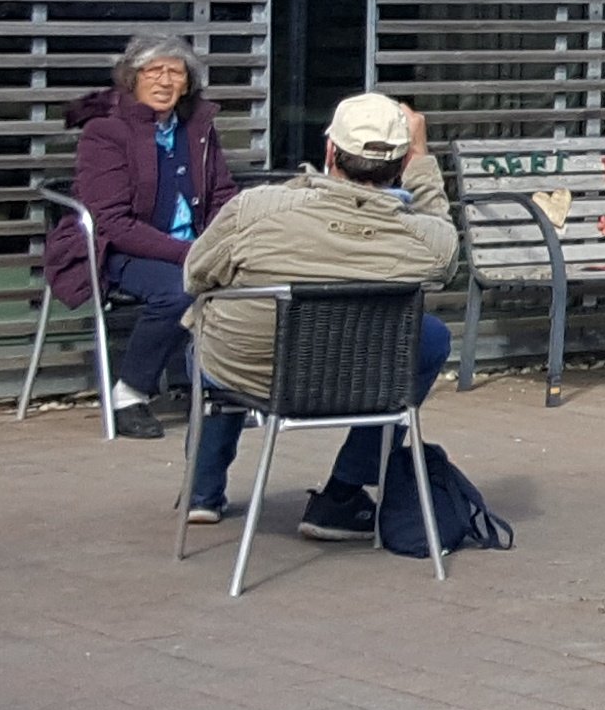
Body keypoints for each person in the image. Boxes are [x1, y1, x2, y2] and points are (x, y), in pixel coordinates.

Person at [174, 91, 461, 537]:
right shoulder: (424, 239)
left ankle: (200, 492)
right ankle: (343, 495)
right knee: (432, 339)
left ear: (330, 150)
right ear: (403, 163)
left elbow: (195, 275)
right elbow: (446, 244)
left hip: (246, 374)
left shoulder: (257, 209)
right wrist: (423, 158)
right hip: (354, 381)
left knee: (211, 330)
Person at [43, 33, 239, 439]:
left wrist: (225, 238)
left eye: (175, 72)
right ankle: (130, 394)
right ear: (132, 78)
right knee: (179, 291)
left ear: (189, 82)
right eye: (154, 71)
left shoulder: (197, 127)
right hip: (121, 248)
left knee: (254, 279)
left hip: (193, 243)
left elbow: (221, 193)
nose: (165, 81)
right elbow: (113, 222)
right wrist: (191, 253)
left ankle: (217, 383)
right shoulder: (105, 133)